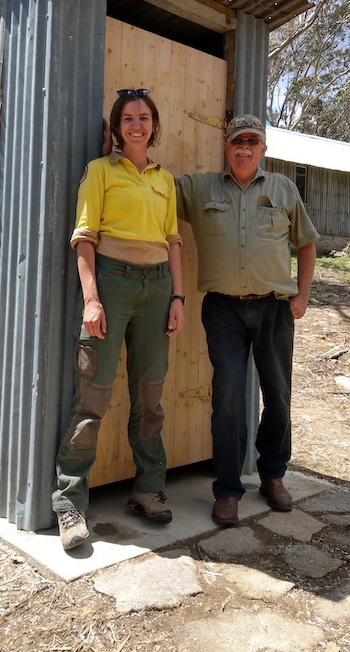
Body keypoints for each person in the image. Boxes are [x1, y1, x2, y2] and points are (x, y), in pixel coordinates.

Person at [52, 88, 185, 550]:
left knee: (150, 398)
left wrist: (178, 297)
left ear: (154, 125)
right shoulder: (100, 172)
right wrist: (92, 299)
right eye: (128, 118)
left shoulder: (165, 180)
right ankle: (70, 503)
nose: (137, 125)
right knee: (93, 395)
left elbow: (173, 241)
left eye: (144, 117)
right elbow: (84, 237)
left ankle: (148, 490)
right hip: (111, 284)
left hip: (157, 290)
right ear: (116, 126)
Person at [176, 114, 319, 525]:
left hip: (274, 308)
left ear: (263, 149)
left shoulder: (283, 189)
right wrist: (116, 153)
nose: (244, 148)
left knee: (278, 395)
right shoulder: (200, 188)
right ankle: (227, 490)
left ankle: (272, 476)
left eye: (252, 142)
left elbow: (306, 244)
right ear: (226, 147)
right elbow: (153, 187)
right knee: (229, 396)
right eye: (237, 141)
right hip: (223, 310)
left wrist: (303, 294)